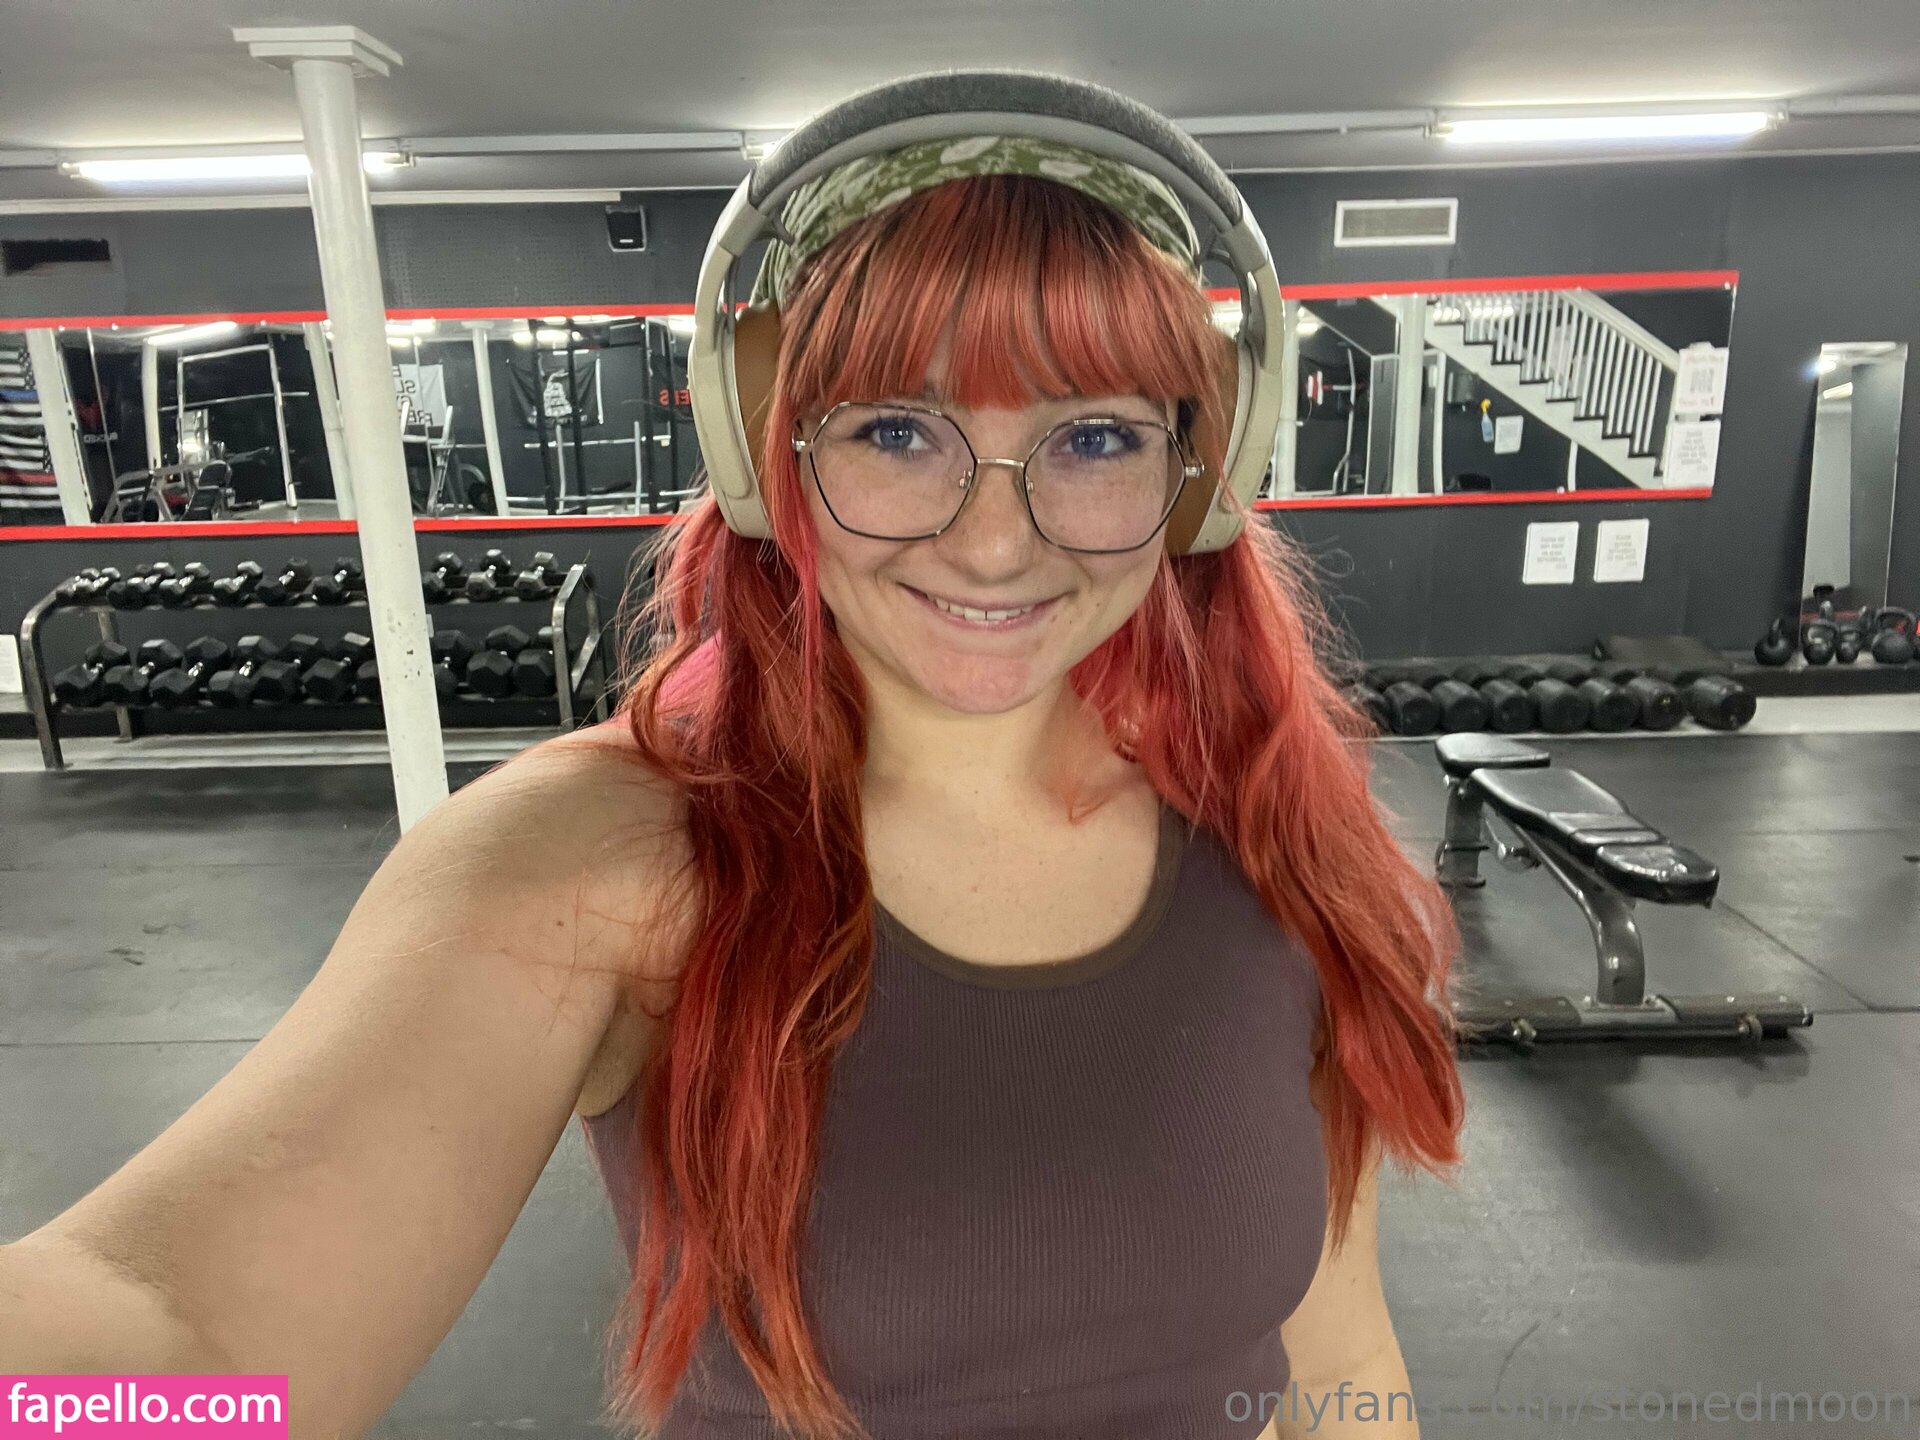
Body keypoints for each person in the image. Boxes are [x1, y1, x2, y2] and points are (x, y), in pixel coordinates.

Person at [0, 74, 1464, 1440]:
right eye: (898, 429)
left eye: (1093, 440)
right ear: (770, 449)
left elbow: (1335, 1357)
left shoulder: (1270, 832)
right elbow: (181, 1322)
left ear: (1201, 473)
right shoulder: (601, 860)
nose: (994, 541)